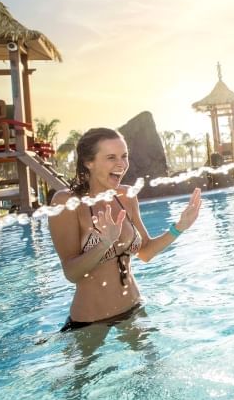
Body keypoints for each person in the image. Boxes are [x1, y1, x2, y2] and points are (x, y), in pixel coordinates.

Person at [48, 127, 202, 331]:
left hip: (134, 309)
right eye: (111, 157)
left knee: (158, 364)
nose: (121, 164)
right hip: (89, 322)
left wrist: (179, 227)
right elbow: (71, 273)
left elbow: (145, 252)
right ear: (88, 162)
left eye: (124, 156)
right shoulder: (67, 202)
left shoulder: (127, 196)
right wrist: (104, 244)